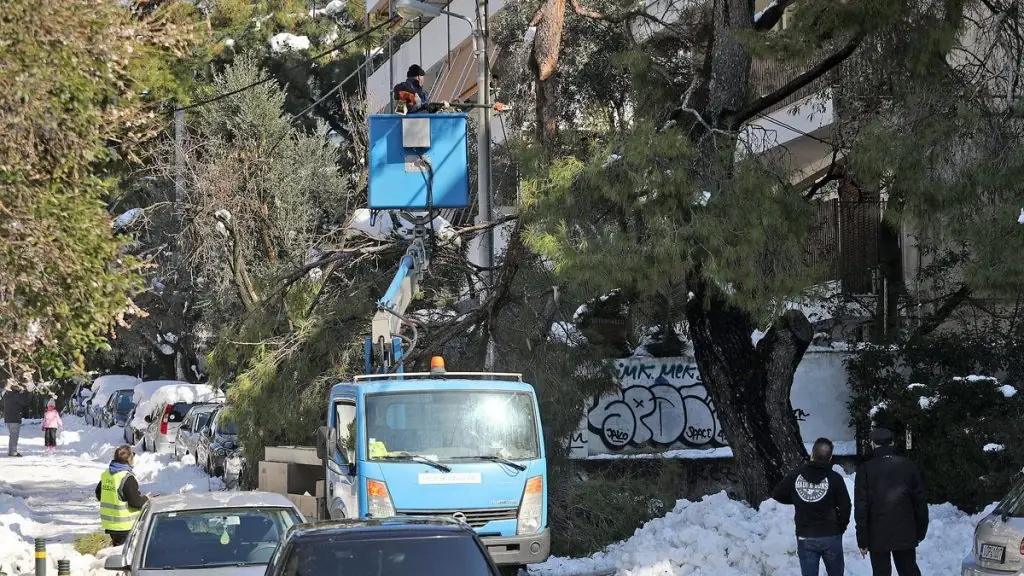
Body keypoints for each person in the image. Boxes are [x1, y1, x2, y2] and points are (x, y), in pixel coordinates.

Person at [772, 437, 851, 576]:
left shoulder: (795, 475)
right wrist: (840, 527)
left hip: (805, 535)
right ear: (830, 457)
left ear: (812, 454)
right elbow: (846, 506)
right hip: (831, 534)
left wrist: (799, 499)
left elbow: (777, 494)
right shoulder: (835, 478)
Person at [855, 427, 928, 576]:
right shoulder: (908, 465)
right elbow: (919, 501)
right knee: (909, 570)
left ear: (873, 444)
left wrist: (862, 539)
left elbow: (861, 506)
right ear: (892, 443)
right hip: (905, 529)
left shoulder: (866, 469)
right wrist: (920, 531)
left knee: (881, 572)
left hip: (877, 533)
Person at [95, 445, 150, 545]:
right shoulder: (126, 477)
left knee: (116, 550)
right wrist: (147, 498)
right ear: (129, 459)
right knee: (124, 555)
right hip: (125, 525)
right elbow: (136, 502)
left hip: (110, 524)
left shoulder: (107, 474)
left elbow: (99, 494)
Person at [2, 383, 30, 457]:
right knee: (14, 436)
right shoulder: (17, 395)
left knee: (12, 436)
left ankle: (12, 451)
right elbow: (25, 402)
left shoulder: (6, 394)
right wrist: (23, 392)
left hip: (8, 418)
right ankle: (13, 452)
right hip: (14, 418)